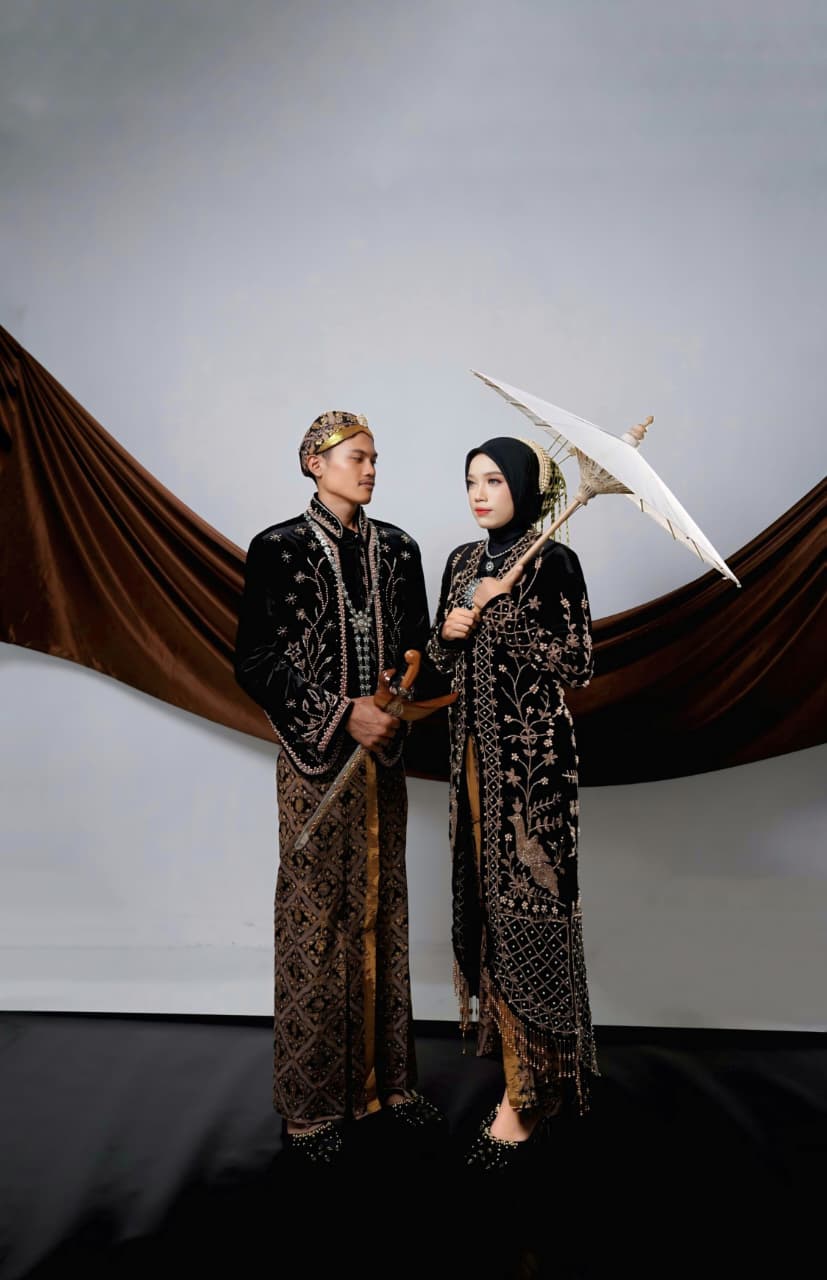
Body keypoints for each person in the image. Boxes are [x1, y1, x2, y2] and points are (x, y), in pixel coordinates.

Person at [234, 409, 443, 1164]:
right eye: (357, 457)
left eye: (375, 458)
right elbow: (256, 660)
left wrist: (403, 690)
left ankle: (391, 1086)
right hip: (315, 762)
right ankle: (311, 1106)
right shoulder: (278, 549)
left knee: (384, 910)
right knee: (314, 920)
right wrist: (340, 713)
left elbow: (417, 650)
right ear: (315, 464)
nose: (371, 469)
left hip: (382, 759)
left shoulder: (400, 549)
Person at [427, 435, 598, 1169]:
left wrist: (502, 613)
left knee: (529, 913)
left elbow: (578, 662)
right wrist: (448, 630)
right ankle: (524, 1077)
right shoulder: (461, 562)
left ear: (524, 488)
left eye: (495, 480)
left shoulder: (553, 561)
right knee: (487, 911)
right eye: (471, 480)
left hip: (533, 776)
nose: (479, 493)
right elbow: (443, 663)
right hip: (471, 763)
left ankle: (526, 1095)